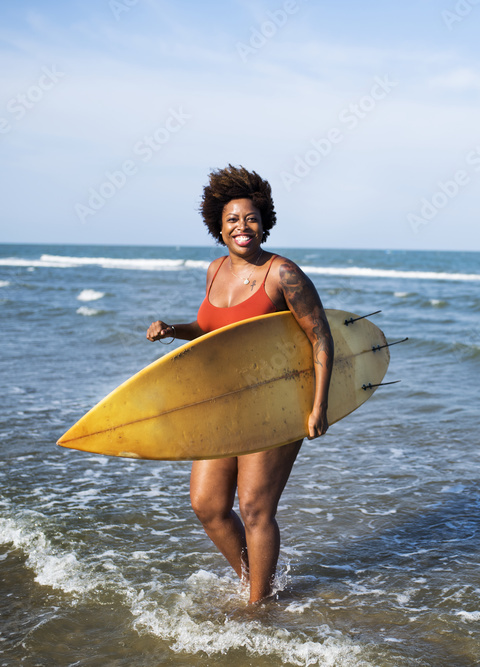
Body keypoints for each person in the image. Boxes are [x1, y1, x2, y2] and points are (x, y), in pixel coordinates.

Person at [146, 164, 333, 605]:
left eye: (251, 218)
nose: (242, 226)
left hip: (276, 401)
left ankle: (259, 606)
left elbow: (321, 335)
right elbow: (218, 331)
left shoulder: (282, 273)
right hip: (223, 401)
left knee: (254, 508)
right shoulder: (214, 270)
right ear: (219, 226)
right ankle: (259, 584)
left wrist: (319, 406)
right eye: (232, 219)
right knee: (207, 505)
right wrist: (175, 330)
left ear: (264, 223)